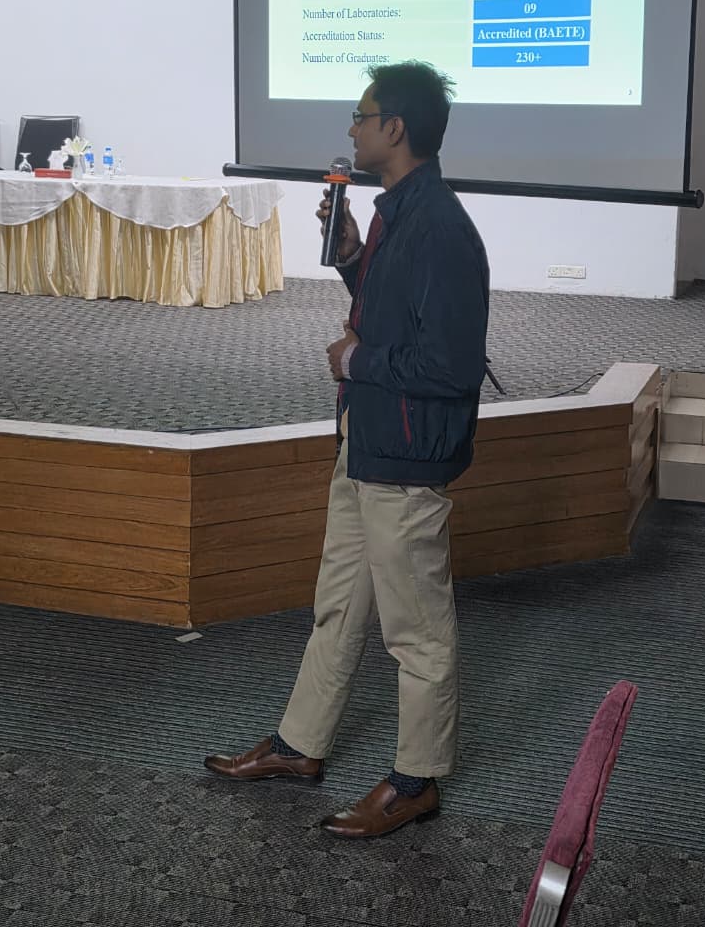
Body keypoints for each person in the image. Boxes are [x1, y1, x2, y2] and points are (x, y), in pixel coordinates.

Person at [205, 60, 490, 839]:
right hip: (366, 441)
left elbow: (452, 366)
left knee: (416, 632)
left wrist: (357, 361)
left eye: (361, 117)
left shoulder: (439, 228)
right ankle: (300, 745)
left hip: (404, 456)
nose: (352, 130)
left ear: (394, 128)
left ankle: (416, 781)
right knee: (338, 606)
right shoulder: (400, 213)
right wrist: (355, 258)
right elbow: (397, 312)